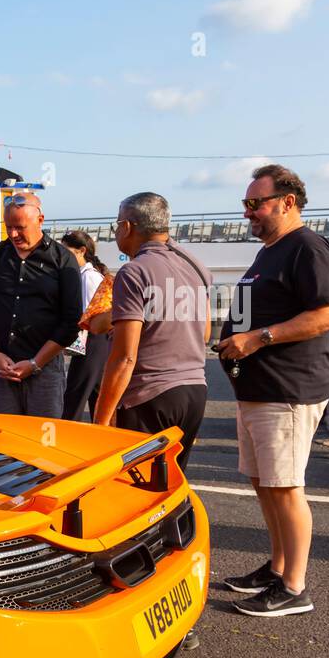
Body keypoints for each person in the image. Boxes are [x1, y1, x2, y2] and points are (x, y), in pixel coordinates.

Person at [217, 164, 329, 618]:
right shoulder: (271, 250)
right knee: (264, 482)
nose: (249, 212)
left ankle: (294, 587)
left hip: (287, 389)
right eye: (246, 204)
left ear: (287, 202)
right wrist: (232, 337)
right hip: (257, 387)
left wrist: (257, 338)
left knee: (286, 487)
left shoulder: (306, 247)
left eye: (256, 203)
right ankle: (278, 566)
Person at [94, 195, 210, 464]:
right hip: (194, 390)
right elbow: (204, 334)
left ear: (128, 226)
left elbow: (125, 357)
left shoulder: (134, 272)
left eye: (116, 226)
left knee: (136, 490)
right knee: (171, 485)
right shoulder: (195, 265)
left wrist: (100, 421)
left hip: (150, 394)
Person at [0, 192, 83, 418]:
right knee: (5, 443)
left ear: (40, 220)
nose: (13, 234)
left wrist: (35, 363)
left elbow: (71, 322)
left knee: (42, 446)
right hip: (2, 370)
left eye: (20, 227)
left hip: (44, 373)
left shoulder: (62, 259)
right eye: (8, 227)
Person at [59, 231, 114, 422]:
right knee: (95, 393)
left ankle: (66, 436)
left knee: (76, 393)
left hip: (93, 339)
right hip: (96, 341)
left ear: (81, 251)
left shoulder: (88, 277)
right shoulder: (86, 275)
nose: (62, 255)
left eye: (66, 251)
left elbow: (92, 313)